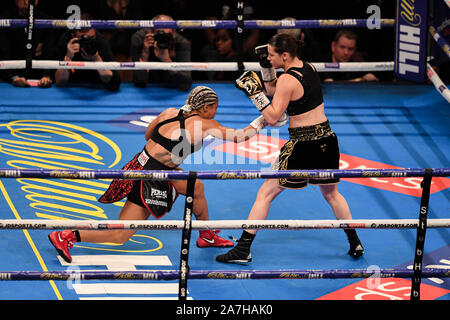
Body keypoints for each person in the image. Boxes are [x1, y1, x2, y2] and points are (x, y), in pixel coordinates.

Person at [48, 85, 286, 263]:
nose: (216, 111)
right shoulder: (205, 125)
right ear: (204, 108)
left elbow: (148, 136)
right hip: (150, 176)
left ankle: (207, 235)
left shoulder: (170, 111)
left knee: (196, 187)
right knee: (121, 234)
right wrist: (263, 121)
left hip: (141, 164)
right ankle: (67, 236)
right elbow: (241, 136)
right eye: (214, 107)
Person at [216, 33, 364, 264]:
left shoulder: (287, 79)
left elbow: (274, 116)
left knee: (265, 193)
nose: (269, 57)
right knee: (332, 193)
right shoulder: (309, 67)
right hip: (327, 139)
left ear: (285, 55)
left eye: (272, 55)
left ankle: (243, 249)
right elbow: (276, 92)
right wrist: (266, 69)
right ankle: (355, 241)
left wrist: (254, 94)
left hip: (303, 144)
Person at [54, 14, 121, 92]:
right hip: (73, 86)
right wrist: (68, 58)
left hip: (97, 85)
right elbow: (59, 82)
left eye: (92, 38)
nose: (88, 42)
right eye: (84, 38)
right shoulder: (66, 41)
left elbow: (115, 84)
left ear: (95, 32)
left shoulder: (101, 41)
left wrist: (97, 59)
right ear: (73, 35)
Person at [0, 0, 56, 88]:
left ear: (36, 2)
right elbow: (4, 50)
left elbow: (50, 50)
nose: (26, 3)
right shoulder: (5, 20)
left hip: (38, 75)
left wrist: (46, 76)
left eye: (30, 0)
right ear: (16, 1)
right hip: (9, 78)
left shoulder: (46, 21)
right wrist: (14, 77)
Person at [130, 14, 192, 92]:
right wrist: (144, 55)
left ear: (174, 33)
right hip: (148, 86)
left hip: (171, 85)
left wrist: (168, 61)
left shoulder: (181, 43)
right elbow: (139, 83)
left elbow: (185, 84)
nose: (162, 39)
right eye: (159, 34)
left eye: (166, 35)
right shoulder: (140, 39)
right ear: (150, 32)